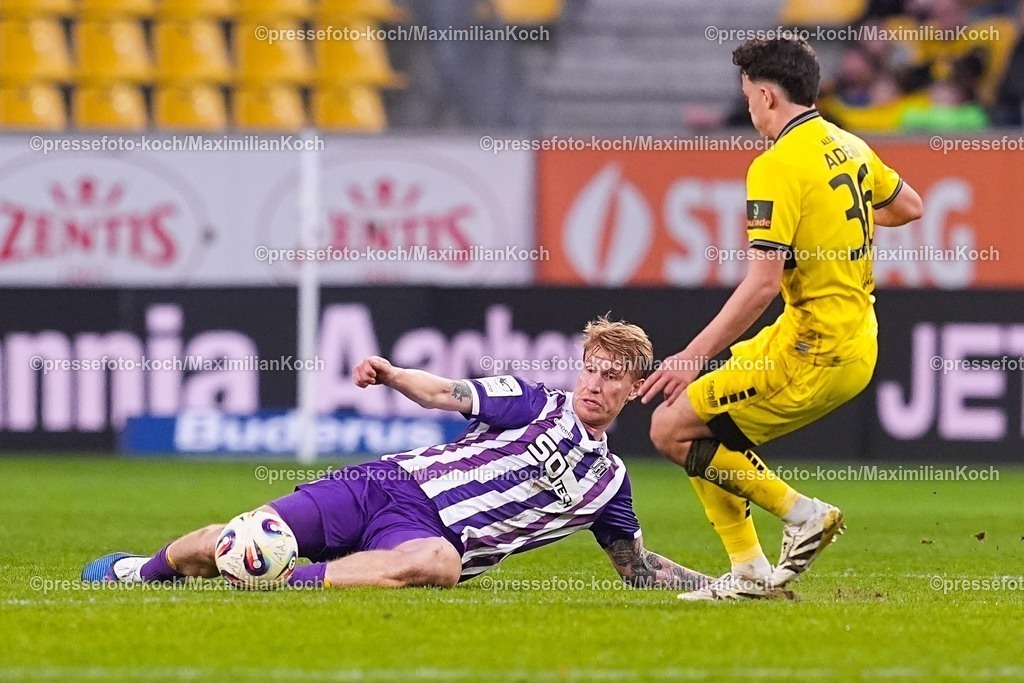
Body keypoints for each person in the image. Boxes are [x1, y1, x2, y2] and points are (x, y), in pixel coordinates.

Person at [84, 316, 717, 594]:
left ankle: (277, 583)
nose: (595, 385)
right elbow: (446, 391)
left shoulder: (609, 485)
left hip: (424, 536)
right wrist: (392, 375)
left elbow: (635, 568)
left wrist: (725, 586)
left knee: (440, 562)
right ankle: (136, 574)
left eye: (613, 378)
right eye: (591, 369)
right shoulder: (531, 400)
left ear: (636, 391)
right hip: (384, 486)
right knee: (232, 541)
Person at [640, 37, 924, 601]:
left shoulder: (775, 166)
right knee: (693, 420)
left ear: (767, 95)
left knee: (670, 427)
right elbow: (909, 206)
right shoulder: (847, 143)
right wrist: (831, 232)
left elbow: (762, 284)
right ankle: (749, 574)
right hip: (850, 336)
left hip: (813, 349)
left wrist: (689, 355)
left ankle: (801, 517)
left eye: (748, 97)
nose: (748, 109)